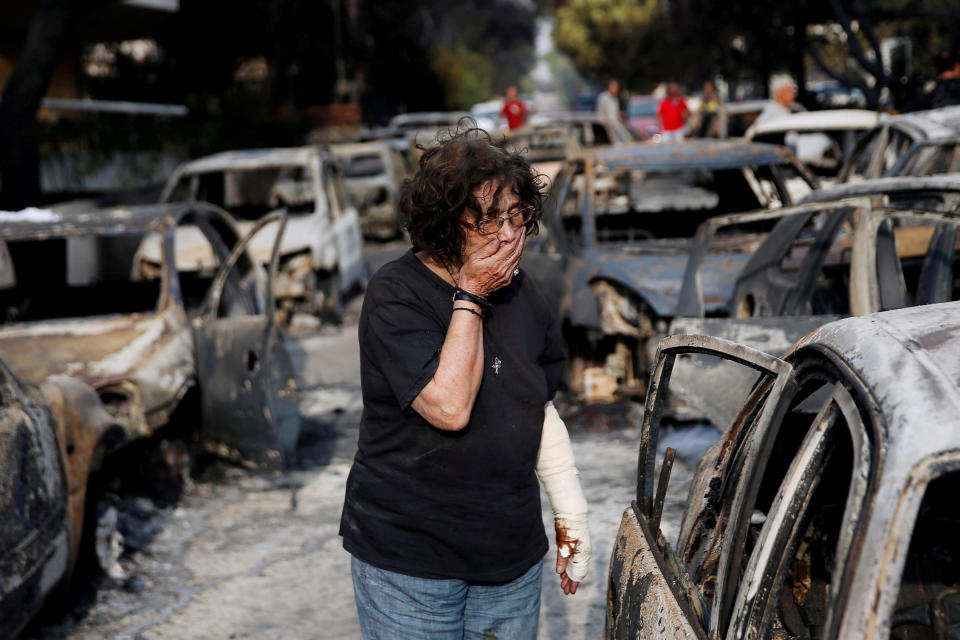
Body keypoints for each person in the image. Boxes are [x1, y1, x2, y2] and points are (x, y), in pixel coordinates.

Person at [340, 127, 591, 640]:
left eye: (516, 214)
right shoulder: (396, 294)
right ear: (443, 223)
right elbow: (449, 407)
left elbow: (536, 412)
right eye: (486, 219)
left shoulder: (525, 296)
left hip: (508, 562)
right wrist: (471, 294)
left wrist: (572, 519)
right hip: (409, 563)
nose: (506, 234)